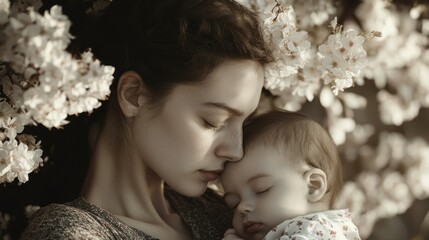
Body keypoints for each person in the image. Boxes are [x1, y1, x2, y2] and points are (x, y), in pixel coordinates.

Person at [19, 0, 273, 239]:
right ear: (133, 95)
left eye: (244, 123)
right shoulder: (70, 231)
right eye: (213, 121)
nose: (236, 151)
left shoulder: (232, 216)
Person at [220, 110, 361, 240]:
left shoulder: (316, 230)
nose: (242, 207)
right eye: (233, 203)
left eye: (261, 189)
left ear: (313, 186)